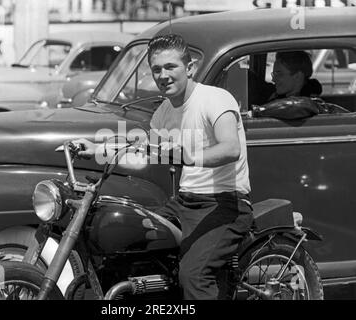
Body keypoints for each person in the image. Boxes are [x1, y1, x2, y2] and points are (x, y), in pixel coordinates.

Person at [75, 34, 253, 300]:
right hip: (184, 202)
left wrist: (187, 156)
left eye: (171, 67)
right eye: (157, 69)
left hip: (226, 203)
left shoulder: (215, 99)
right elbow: (145, 148)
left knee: (193, 275)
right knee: (130, 242)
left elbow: (230, 148)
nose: (163, 75)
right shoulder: (164, 112)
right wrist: (95, 148)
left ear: (189, 68)